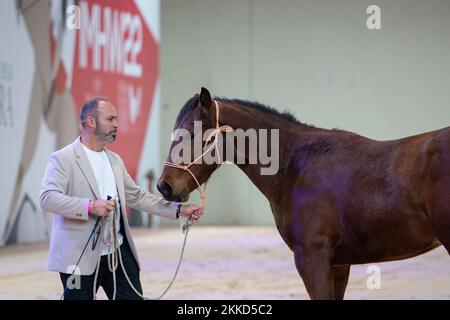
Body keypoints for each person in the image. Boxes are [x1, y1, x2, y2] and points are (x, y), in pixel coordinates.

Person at [40, 97, 203, 300]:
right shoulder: (63, 158)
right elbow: (47, 198)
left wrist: (178, 209)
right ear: (91, 122)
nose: (117, 124)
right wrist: (89, 206)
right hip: (78, 258)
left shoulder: (114, 160)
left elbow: (137, 196)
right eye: (110, 119)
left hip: (118, 253)